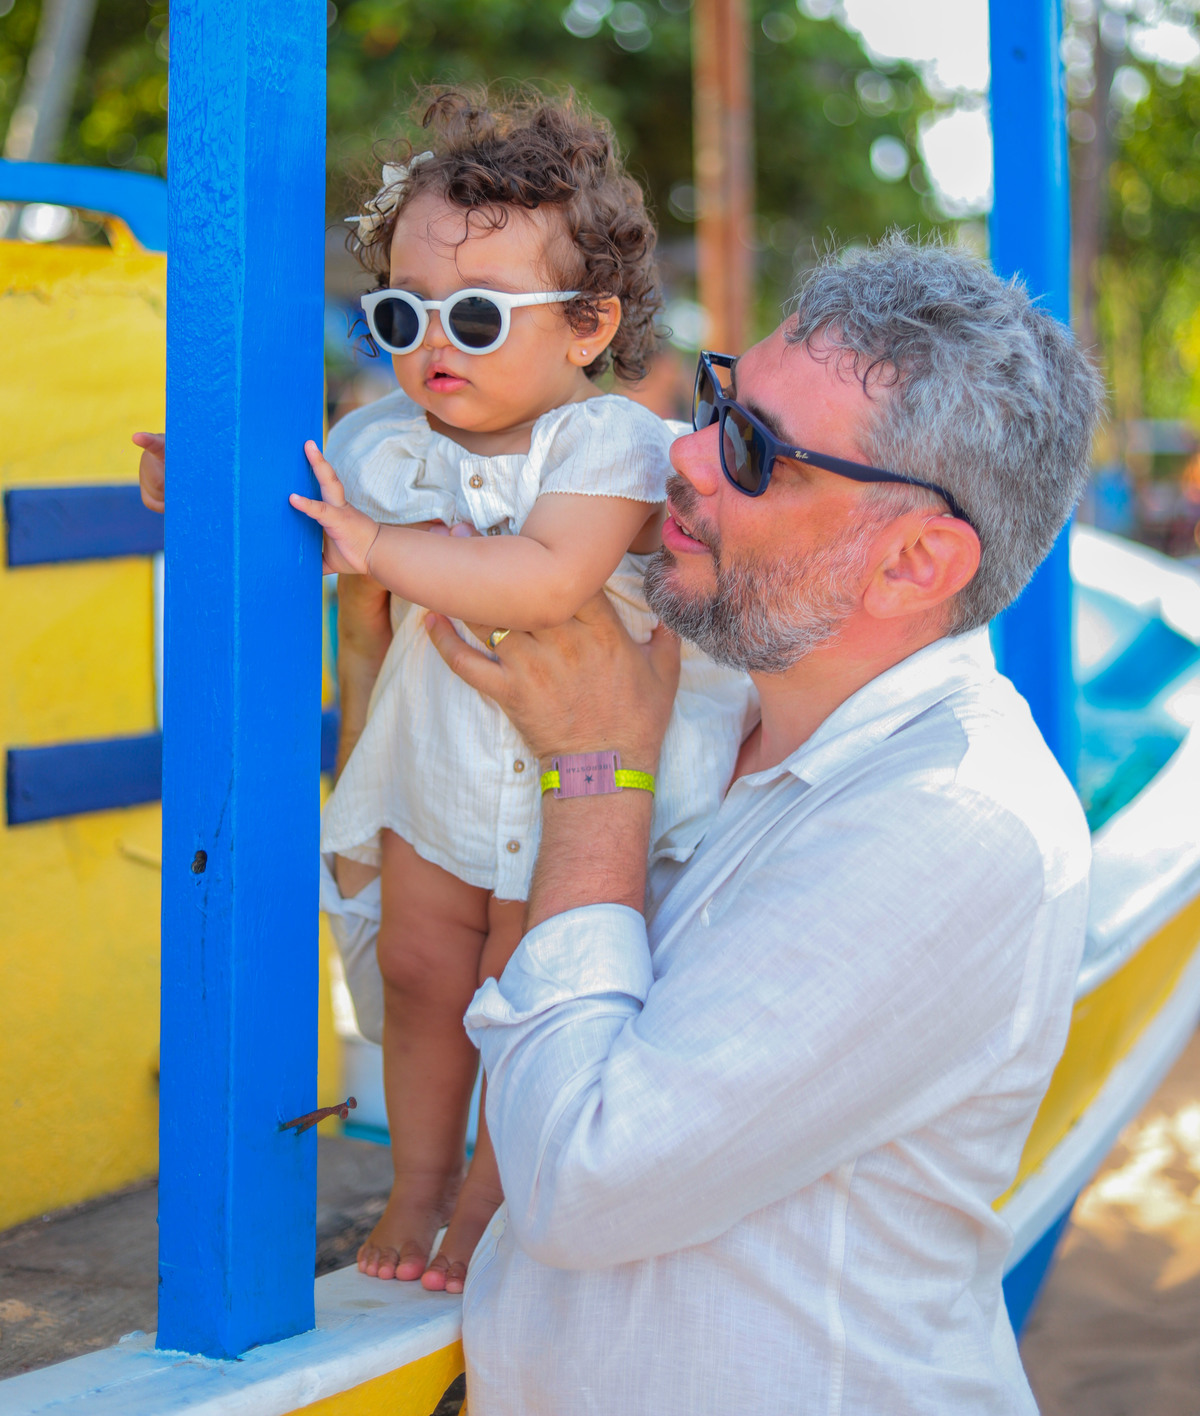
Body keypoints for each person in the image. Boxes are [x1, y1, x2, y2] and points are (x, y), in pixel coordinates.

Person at [418, 236, 1105, 1414]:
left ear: (914, 563)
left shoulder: (957, 823)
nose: (684, 452)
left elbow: (586, 1184)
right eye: (718, 402)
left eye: (753, 452)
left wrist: (594, 779)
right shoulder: (717, 685)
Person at [137, 88, 756, 1294]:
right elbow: (305, 500)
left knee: (515, 989)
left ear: (587, 324)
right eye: (401, 311)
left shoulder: (612, 449)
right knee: (421, 976)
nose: (432, 343)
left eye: (476, 315)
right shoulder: (384, 441)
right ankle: (417, 1177)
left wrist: (379, 550)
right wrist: (209, 477)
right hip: (437, 769)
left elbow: (546, 575)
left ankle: (490, 1197)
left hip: (580, 787)